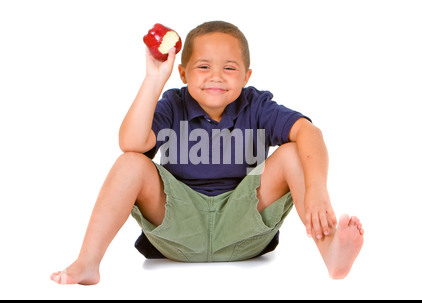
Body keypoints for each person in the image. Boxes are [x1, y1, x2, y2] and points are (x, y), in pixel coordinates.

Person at [51, 21, 363, 285]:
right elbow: (130, 143)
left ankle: (331, 252)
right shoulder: (174, 104)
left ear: (246, 77)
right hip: (177, 227)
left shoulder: (256, 105)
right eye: (203, 67)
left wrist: (318, 191)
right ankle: (88, 261)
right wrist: (154, 79)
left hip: (244, 227)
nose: (216, 76)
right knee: (130, 162)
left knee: (296, 152)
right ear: (184, 74)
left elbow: (309, 132)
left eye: (229, 68)